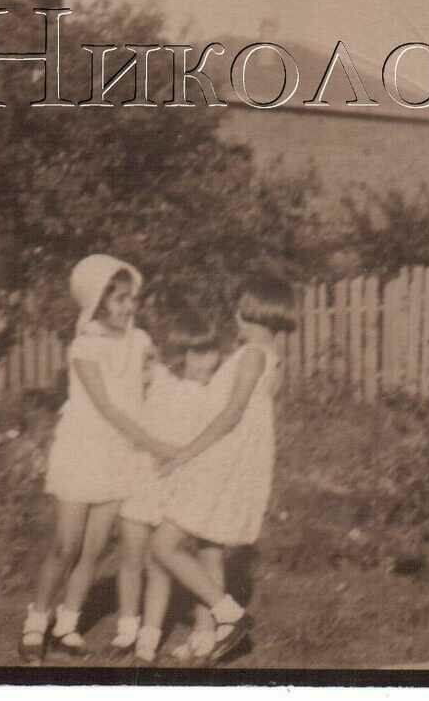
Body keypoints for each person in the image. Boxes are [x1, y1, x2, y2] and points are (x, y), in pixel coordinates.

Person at [19, 254, 177, 663]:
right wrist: (153, 443)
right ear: (97, 301)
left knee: (93, 549)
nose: (128, 307)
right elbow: (108, 408)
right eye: (119, 299)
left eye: (131, 299)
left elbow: (158, 381)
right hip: (83, 449)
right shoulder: (85, 346)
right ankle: (36, 622)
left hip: (119, 454)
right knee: (66, 545)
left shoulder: (140, 341)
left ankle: (67, 625)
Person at [150, 274, 297, 667]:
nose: (235, 315)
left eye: (239, 307)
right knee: (208, 550)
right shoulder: (270, 356)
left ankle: (228, 614)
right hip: (231, 461)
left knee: (163, 545)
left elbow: (231, 415)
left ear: (248, 312)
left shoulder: (251, 355)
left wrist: (185, 454)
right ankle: (204, 635)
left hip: (220, 461)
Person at [111, 311, 223, 664]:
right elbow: (133, 349)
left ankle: (149, 637)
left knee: (159, 562)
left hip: (174, 481)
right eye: (197, 353)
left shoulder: (212, 396)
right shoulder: (159, 379)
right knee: (130, 558)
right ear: (179, 355)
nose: (208, 361)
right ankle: (127, 628)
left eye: (212, 352)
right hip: (140, 475)